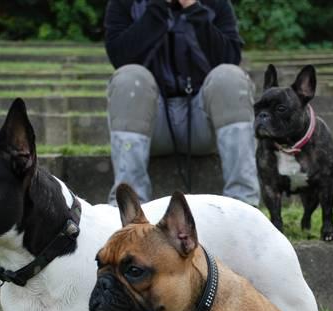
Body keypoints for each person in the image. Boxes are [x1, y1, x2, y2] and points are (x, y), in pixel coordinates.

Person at [102, 0, 260, 206]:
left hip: (203, 123)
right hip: (148, 124)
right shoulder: (124, 4)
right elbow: (120, 57)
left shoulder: (217, 4)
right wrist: (157, 8)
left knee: (230, 76)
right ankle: (130, 210)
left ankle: (243, 205)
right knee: (128, 77)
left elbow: (229, 57)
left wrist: (193, 9)